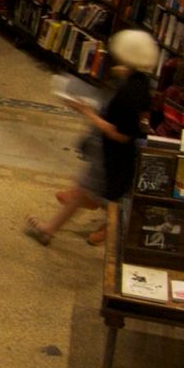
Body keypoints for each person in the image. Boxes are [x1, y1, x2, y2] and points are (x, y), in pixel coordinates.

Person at [26, 28, 159, 247]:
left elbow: (120, 134)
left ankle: (116, 237)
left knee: (111, 199)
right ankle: (49, 229)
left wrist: (86, 111)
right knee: (87, 190)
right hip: (109, 153)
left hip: (113, 155)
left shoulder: (129, 94)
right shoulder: (142, 81)